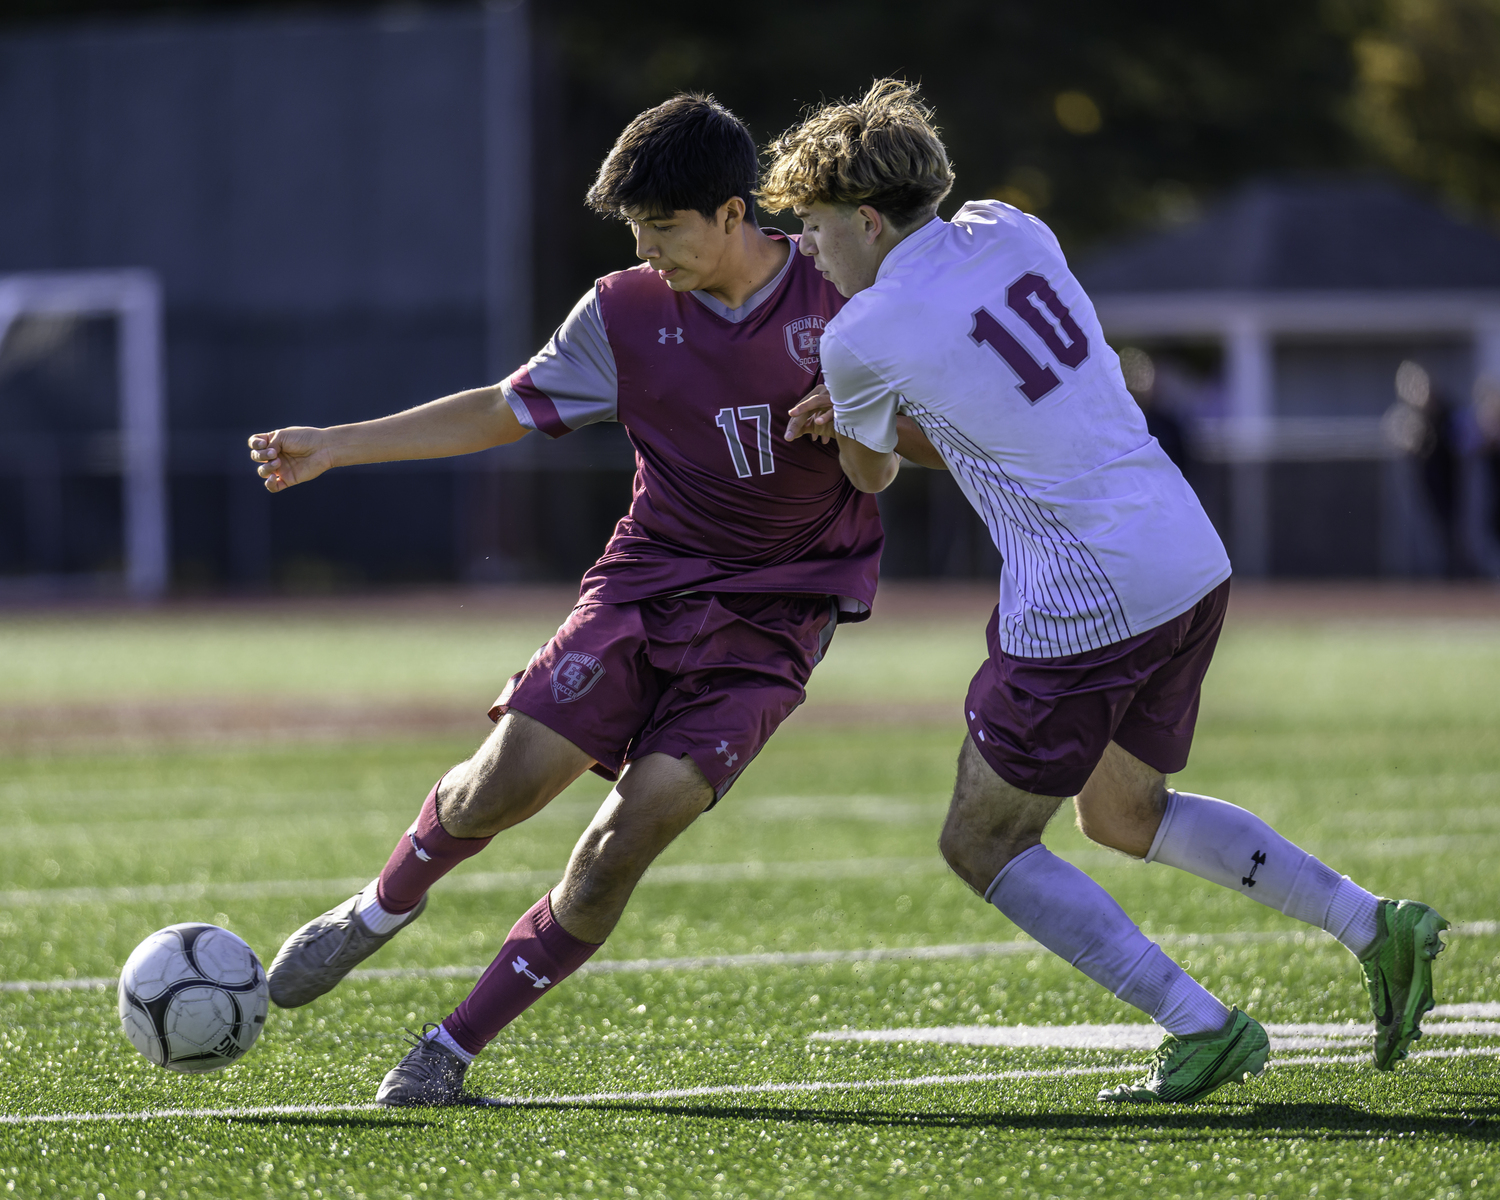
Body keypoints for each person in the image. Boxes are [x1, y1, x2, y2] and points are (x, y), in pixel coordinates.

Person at [763, 80, 1449, 1105]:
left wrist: (844, 423)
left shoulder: (863, 333)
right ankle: (1371, 924)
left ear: (867, 218)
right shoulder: (1010, 226)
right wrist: (889, 419)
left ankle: (1202, 1026)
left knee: (981, 840)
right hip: (1184, 555)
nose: (809, 249)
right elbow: (1005, 424)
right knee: (1124, 814)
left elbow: (872, 477)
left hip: (1083, 599)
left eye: (815, 227)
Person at [247, 93, 941, 1107]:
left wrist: (865, 421)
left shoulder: (847, 299)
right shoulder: (622, 311)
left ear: (735, 213)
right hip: (648, 583)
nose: (649, 248)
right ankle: (376, 912)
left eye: (665, 227)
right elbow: (502, 408)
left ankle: (447, 1052)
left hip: (778, 620)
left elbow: (930, 446)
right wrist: (338, 445)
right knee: (504, 781)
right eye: (636, 230)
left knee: (625, 838)